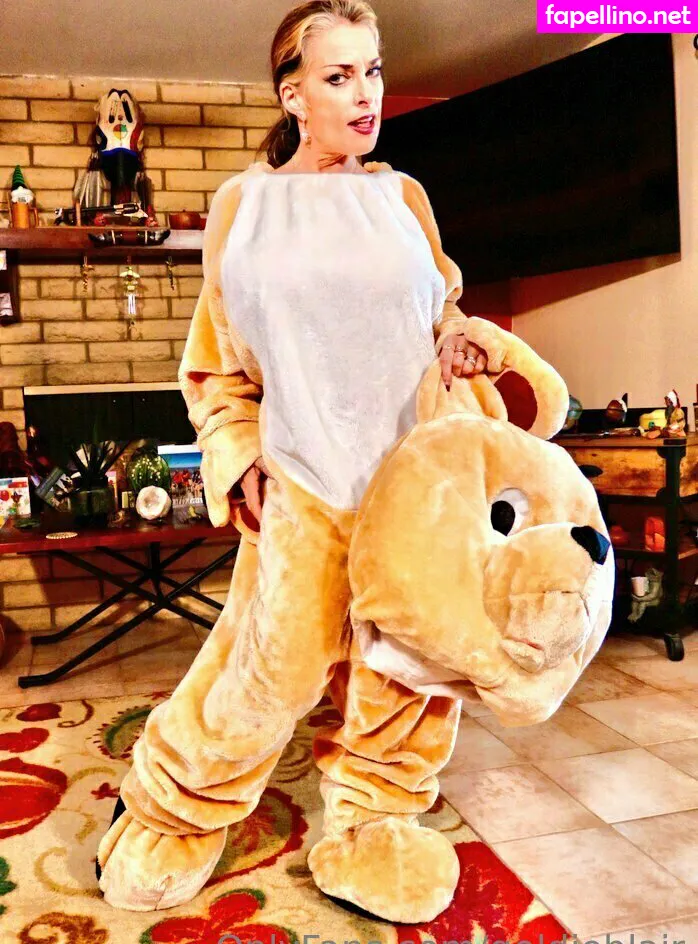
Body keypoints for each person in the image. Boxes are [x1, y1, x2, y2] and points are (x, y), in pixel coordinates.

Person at [96, 0, 490, 921]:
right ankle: (174, 808)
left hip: (413, 484)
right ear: (293, 95)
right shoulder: (245, 207)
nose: (365, 94)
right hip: (304, 481)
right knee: (267, 672)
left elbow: (440, 308)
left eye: (374, 70)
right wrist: (238, 455)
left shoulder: (403, 198)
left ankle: (373, 823)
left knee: (407, 667)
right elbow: (215, 366)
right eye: (339, 75)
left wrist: (457, 336)